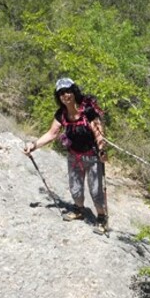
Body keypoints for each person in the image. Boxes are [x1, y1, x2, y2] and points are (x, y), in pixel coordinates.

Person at [24, 78, 109, 233]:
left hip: (92, 156)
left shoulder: (87, 111)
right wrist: (34, 145)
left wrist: (102, 150)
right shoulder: (61, 114)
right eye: (61, 93)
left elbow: (99, 134)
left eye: (68, 91)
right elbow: (51, 134)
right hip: (74, 156)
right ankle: (79, 210)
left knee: (96, 191)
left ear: (74, 91)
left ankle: (102, 218)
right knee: (75, 189)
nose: (65, 95)